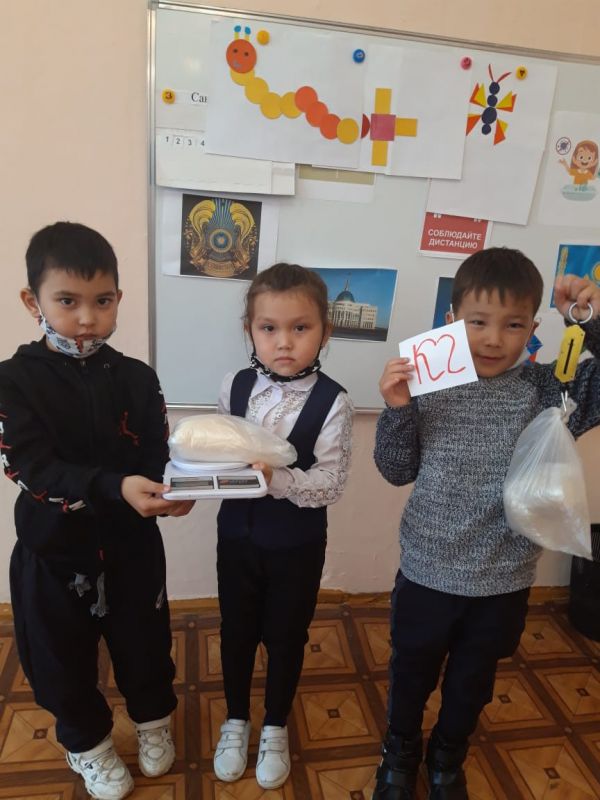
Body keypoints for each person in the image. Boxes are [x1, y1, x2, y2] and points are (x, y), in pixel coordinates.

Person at [371, 247, 600, 800]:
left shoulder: (546, 390)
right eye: (478, 322)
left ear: (533, 329)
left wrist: (589, 322)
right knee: (411, 671)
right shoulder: (426, 384)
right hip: (427, 570)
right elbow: (396, 470)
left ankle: (448, 755)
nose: (494, 339)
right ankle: (400, 752)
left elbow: (594, 390)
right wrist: (398, 408)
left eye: (513, 325)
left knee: (473, 680)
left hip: (503, 577)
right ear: (451, 321)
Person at [0, 222, 194, 800]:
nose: (87, 317)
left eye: (102, 301)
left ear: (118, 299)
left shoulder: (137, 377)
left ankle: (153, 720)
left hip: (133, 547)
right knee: (60, 659)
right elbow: (31, 467)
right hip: (53, 553)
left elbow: (157, 453)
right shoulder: (12, 381)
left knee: (146, 645)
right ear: (33, 301)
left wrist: (173, 490)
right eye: (68, 301)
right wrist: (116, 486)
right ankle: (87, 743)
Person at [212, 263, 353, 790]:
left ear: (325, 332)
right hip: (236, 537)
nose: (285, 342)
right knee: (236, 630)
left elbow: (330, 484)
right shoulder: (235, 387)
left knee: (287, 635)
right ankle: (235, 718)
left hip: (296, 544)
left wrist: (276, 479)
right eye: (269, 328)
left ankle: (274, 723)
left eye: (301, 327)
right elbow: (220, 456)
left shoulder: (334, 401)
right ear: (249, 329)